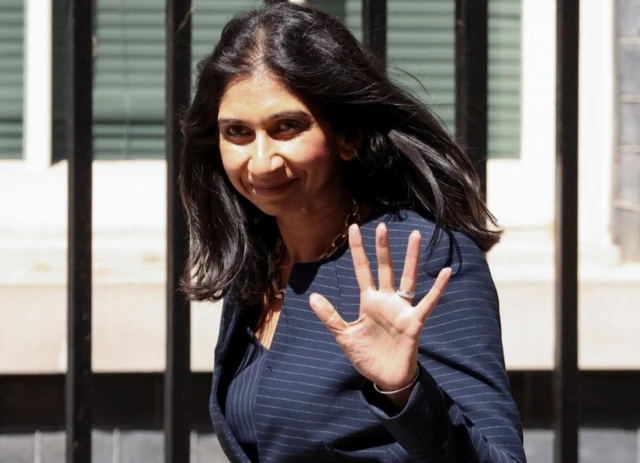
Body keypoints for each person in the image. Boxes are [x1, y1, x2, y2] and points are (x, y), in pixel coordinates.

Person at [179, 2, 526, 462]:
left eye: (287, 127)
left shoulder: (422, 253)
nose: (260, 162)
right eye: (238, 132)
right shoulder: (260, 259)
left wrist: (403, 391)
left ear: (348, 136)